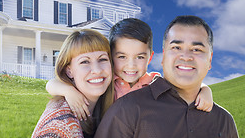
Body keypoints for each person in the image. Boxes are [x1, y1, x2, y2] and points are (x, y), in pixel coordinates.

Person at [92, 15, 242, 138]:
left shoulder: (224, 121)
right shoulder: (125, 109)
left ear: (210, 60)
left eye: (196, 49)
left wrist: (205, 88)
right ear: (163, 57)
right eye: (176, 47)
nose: (186, 56)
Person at [46, 18, 213, 121]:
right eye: (122, 57)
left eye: (140, 57)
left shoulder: (154, 82)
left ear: (150, 56)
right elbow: (51, 84)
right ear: (111, 56)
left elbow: (183, 87)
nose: (131, 66)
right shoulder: (106, 82)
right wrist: (69, 91)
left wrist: (205, 90)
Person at [29, 29, 114, 138]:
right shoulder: (59, 127)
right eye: (85, 61)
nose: (97, 70)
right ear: (69, 71)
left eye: (102, 59)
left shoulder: (107, 105)